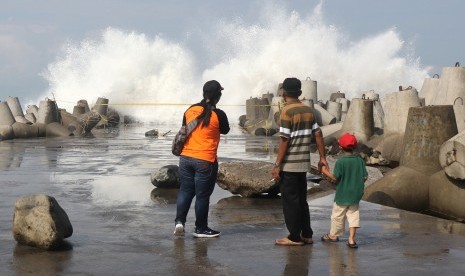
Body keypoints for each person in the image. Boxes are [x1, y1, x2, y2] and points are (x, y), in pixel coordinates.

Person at [272, 77, 329, 246]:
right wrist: (322, 158)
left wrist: (277, 165)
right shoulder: (308, 110)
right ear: (300, 93)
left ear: (284, 93)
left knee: (290, 202)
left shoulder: (286, 111)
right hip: (303, 164)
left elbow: (284, 140)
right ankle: (307, 234)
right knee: (302, 200)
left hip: (289, 164)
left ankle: (294, 237)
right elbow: (318, 134)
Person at [174, 80, 230, 238]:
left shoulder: (190, 110)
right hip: (205, 159)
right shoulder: (218, 115)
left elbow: (185, 127)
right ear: (218, 96)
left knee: (185, 191)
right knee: (202, 195)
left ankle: (179, 222)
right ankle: (201, 228)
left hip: (185, 158)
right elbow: (225, 130)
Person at [320, 132, 368, 248]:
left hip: (342, 194)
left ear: (340, 147)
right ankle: (351, 239)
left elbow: (335, 178)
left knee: (337, 215)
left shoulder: (340, 162)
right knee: (353, 215)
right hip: (355, 194)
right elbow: (365, 177)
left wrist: (325, 172)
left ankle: (333, 235)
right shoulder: (360, 161)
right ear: (355, 147)